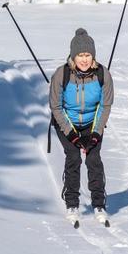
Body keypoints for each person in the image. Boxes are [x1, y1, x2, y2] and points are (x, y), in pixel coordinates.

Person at [50, 28, 114, 227]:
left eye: (88, 55)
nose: (84, 60)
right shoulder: (62, 74)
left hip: (92, 123)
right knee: (74, 157)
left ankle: (99, 204)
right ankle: (72, 204)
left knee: (94, 160)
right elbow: (56, 107)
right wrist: (72, 135)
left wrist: (95, 133)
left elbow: (105, 106)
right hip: (66, 123)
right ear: (73, 55)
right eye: (80, 55)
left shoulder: (103, 74)